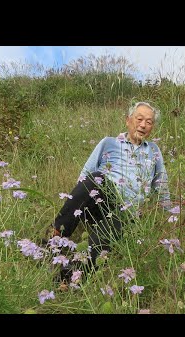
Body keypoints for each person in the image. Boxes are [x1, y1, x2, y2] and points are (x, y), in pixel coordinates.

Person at [46, 101, 171, 283]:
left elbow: (161, 183)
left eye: (149, 122)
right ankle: (52, 240)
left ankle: (71, 274)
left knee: (123, 216)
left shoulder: (153, 150)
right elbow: (85, 176)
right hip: (100, 201)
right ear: (128, 120)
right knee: (95, 178)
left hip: (127, 211)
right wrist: (79, 204)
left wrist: (169, 216)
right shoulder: (109, 142)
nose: (143, 125)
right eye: (139, 119)